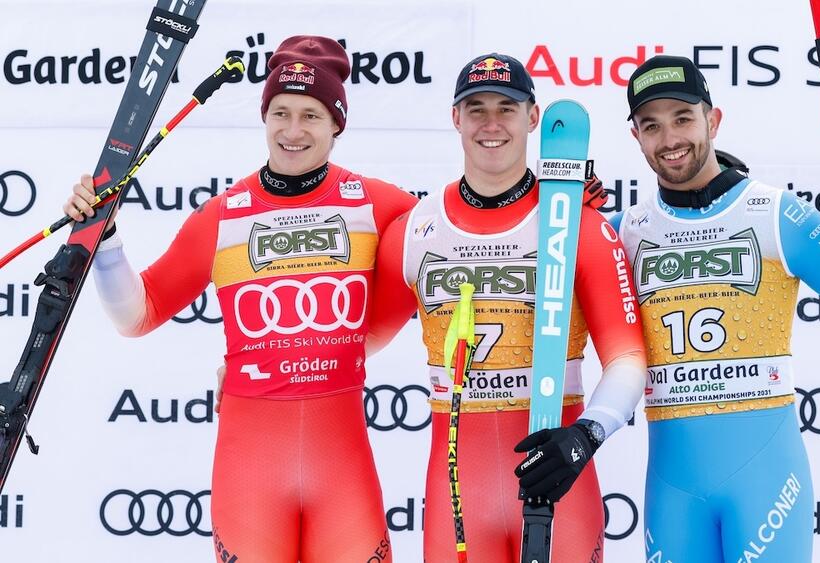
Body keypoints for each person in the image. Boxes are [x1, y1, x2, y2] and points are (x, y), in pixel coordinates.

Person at [63, 36, 417, 563]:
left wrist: (568, 197)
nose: (292, 131)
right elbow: (138, 315)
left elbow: (467, 230)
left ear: (336, 125)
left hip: (341, 466)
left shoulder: (379, 203)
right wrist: (106, 240)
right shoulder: (225, 214)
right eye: (280, 112)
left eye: (311, 115)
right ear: (264, 117)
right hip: (252, 471)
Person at [613, 55, 820, 563]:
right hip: (673, 489)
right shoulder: (624, 229)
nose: (669, 139)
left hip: (768, 482)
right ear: (636, 137)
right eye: (652, 126)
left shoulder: (775, 212)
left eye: (683, 118)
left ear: (713, 119)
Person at [365, 53, 648, 562]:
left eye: (507, 108)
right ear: (455, 118)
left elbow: (628, 358)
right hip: (458, 491)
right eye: (476, 109)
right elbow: (357, 342)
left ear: (533, 118)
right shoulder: (414, 229)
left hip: (559, 482)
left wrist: (586, 435)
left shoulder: (579, 225)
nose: (491, 124)